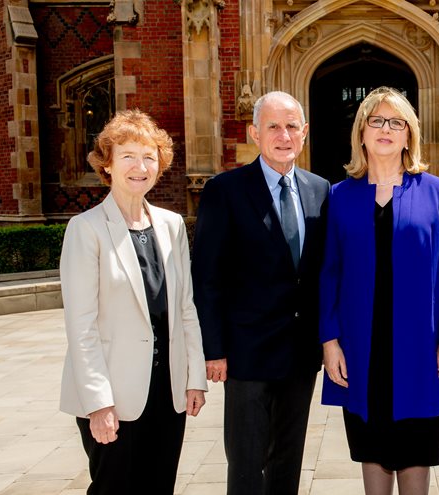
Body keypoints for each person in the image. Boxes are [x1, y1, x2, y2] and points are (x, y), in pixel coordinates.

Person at [320, 86, 439, 495]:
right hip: (362, 345)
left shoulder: (434, 190)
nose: (386, 129)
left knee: (416, 450)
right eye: (376, 121)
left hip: (420, 346)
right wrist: (330, 342)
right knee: (372, 447)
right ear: (361, 133)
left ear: (409, 135)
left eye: (396, 122)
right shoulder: (340, 196)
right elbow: (329, 274)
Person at [59, 109, 208, 494]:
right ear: (107, 165)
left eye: (149, 156)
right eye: (127, 156)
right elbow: (82, 327)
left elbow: (185, 309)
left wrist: (194, 378)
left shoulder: (172, 225)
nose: (139, 166)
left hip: (167, 390)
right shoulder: (86, 229)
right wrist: (98, 403)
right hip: (114, 394)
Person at [191, 91, 329, 495]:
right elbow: (208, 277)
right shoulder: (225, 191)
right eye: (273, 126)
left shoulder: (321, 190)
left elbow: (321, 274)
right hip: (245, 354)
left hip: (301, 354)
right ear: (255, 133)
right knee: (248, 465)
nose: (283, 135)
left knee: (288, 461)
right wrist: (213, 350)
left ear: (304, 133)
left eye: (291, 127)